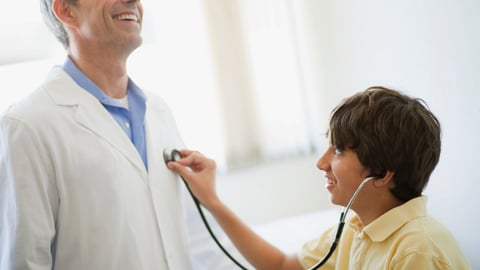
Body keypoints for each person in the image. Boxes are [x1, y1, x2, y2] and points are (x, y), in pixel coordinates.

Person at [0, 0, 236, 269]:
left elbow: (196, 241)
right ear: (66, 11)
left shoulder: (157, 110)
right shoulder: (27, 125)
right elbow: (25, 261)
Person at [167, 86, 472, 269]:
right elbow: (281, 266)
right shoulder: (356, 228)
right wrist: (212, 201)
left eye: (338, 150)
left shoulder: (418, 250)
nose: (321, 163)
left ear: (382, 174)